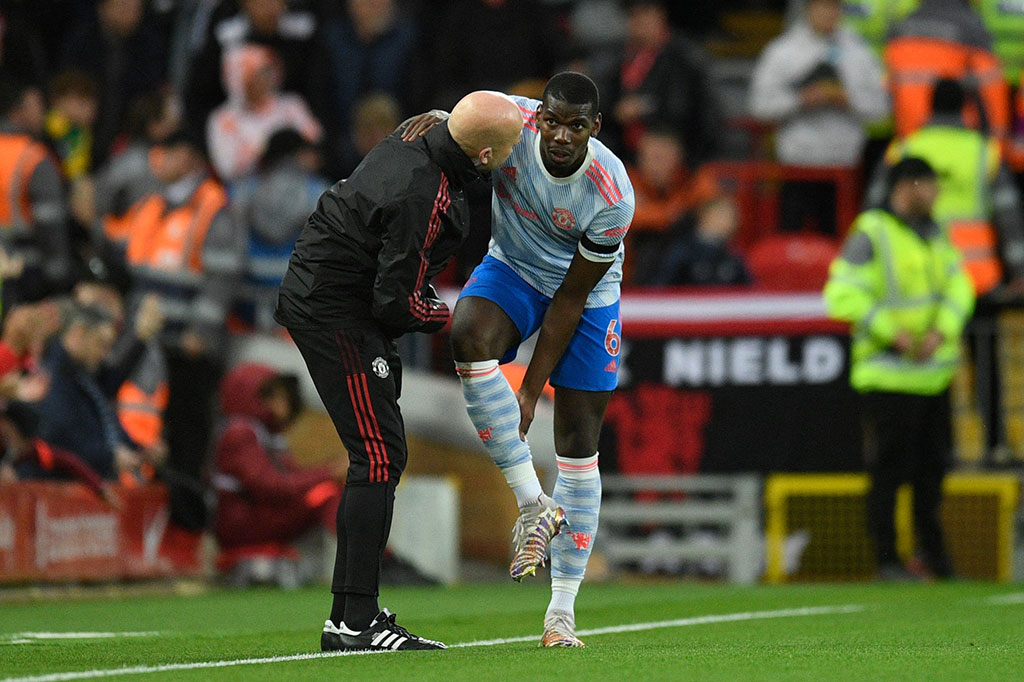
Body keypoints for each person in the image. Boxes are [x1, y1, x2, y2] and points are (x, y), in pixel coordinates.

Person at [275, 90, 523, 651]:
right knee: (379, 455)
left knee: (381, 454)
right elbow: (397, 302)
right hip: (338, 309)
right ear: (483, 155)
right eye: (506, 150)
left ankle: (351, 614)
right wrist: (461, 319)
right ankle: (354, 619)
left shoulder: (426, 130)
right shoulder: (424, 194)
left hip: (334, 293)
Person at [407, 72, 635, 647]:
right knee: (466, 333)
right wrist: (432, 124)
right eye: (552, 121)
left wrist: (531, 388)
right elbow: (456, 122)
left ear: (595, 129)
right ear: (540, 117)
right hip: (512, 264)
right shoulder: (509, 120)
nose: (559, 134)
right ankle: (533, 502)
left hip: (584, 293)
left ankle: (561, 615)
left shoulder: (612, 194)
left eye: (575, 126)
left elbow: (570, 301)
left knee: (579, 443)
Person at [824, 157, 975, 579]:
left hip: (933, 375)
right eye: (929, 185)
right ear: (906, 186)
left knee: (932, 472)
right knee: (890, 471)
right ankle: (887, 559)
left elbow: (960, 286)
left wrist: (941, 331)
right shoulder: (872, 232)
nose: (936, 194)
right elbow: (840, 294)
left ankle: (932, 557)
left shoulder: (935, 232)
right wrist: (895, 333)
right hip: (888, 374)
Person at [871, 79, 1024, 461]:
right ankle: (994, 445)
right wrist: (1019, 268)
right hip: (979, 279)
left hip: (919, 282)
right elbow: (1009, 216)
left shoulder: (905, 148)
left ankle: (942, 450)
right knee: (985, 368)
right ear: (965, 109)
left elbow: (875, 207)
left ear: (928, 106)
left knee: (929, 373)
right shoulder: (983, 152)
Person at [750, 0, 889, 235]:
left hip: (845, 169)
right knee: (791, 245)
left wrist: (847, 99)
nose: (828, 13)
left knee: (839, 243)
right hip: (797, 167)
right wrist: (802, 99)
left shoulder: (859, 52)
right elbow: (759, 106)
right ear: (808, 8)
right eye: (822, 5)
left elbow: (882, 107)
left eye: (834, 6)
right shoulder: (782, 51)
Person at [212, 363, 341, 584]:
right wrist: (329, 472)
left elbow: (290, 478)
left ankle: (369, 562)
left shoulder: (264, 432)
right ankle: (374, 564)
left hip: (258, 516)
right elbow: (272, 487)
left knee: (329, 489)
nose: (282, 405)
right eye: (271, 397)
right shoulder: (241, 432)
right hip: (244, 524)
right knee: (326, 492)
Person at [605, 0, 724, 165]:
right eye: (632, 15)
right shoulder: (620, 58)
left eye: (645, 12)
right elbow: (605, 102)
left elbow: (691, 109)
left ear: (661, 14)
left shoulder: (685, 57)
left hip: (684, 157)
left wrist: (643, 110)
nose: (638, 21)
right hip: (628, 157)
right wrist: (616, 111)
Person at [885, 0, 1009, 140]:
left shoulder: (900, 29)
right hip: (961, 139)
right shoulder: (972, 30)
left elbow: (888, 91)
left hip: (910, 139)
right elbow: (991, 91)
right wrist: (998, 147)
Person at [0, 77, 74, 307]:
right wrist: (60, 277)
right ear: (18, 111)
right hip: (24, 270)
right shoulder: (34, 158)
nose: (43, 112)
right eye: (38, 105)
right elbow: (50, 222)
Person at [206, 43, 322, 183]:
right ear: (238, 79)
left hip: (299, 181)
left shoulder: (292, 105)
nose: (267, 79)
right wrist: (270, 150)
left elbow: (315, 148)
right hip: (248, 190)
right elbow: (227, 169)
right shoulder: (222, 119)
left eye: (268, 71)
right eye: (257, 74)